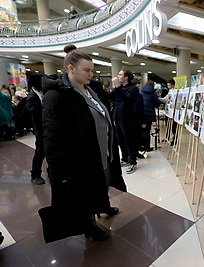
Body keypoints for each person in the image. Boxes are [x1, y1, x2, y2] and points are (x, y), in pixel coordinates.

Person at [41, 44, 126, 242]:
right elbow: (51, 137)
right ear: (71, 68)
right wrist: (58, 171)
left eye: (92, 71)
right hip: (81, 159)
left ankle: (102, 205)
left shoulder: (91, 90)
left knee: (101, 184)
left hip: (101, 154)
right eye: (86, 70)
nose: (91, 74)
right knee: (84, 194)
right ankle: (90, 226)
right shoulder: (57, 96)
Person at [109, 68, 144, 174]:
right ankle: (125, 159)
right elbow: (110, 97)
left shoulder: (133, 89)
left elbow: (127, 100)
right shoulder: (119, 88)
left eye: (120, 74)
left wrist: (118, 88)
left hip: (127, 119)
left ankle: (132, 161)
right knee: (120, 140)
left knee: (129, 141)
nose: (118, 76)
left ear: (126, 77)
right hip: (118, 118)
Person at [26, 73, 46, 185]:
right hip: (40, 130)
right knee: (40, 152)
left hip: (45, 128)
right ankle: (35, 174)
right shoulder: (33, 96)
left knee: (48, 151)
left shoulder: (40, 93)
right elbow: (33, 113)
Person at [140, 80, 161, 153]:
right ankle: (147, 146)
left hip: (141, 113)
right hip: (149, 114)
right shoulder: (153, 93)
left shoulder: (141, 92)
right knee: (147, 130)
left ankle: (141, 146)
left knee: (141, 130)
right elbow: (157, 104)